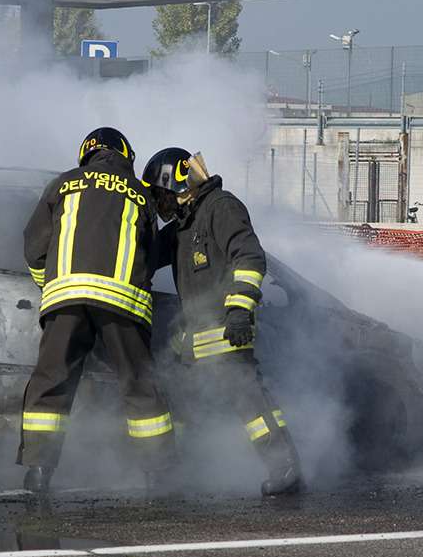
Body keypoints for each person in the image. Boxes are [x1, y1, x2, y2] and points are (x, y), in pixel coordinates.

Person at [19, 127, 175, 493]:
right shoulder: (139, 193)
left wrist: (52, 283)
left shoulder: (62, 184)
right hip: (122, 302)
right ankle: (158, 473)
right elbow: (149, 255)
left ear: (85, 154)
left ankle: (39, 472)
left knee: (51, 383)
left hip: (66, 299)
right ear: (126, 156)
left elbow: (32, 246)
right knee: (139, 384)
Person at [141, 147, 302, 496]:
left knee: (247, 400)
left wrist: (240, 309)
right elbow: (146, 258)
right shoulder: (183, 226)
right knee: (180, 403)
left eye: (160, 194)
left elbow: (249, 257)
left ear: (176, 185)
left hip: (227, 329)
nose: (160, 203)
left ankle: (284, 466)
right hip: (193, 337)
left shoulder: (221, 207)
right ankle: (176, 473)